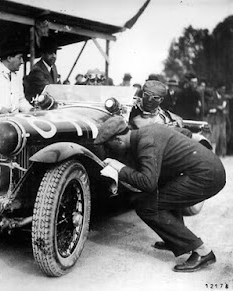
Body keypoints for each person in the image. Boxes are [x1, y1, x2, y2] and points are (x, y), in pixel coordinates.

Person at [95, 116, 226, 272]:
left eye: (109, 147)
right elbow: (185, 132)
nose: (109, 151)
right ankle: (176, 240)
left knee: (146, 206)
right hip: (209, 168)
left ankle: (202, 251)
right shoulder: (147, 131)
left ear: (118, 140)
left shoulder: (145, 143)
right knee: (163, 191)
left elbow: (148, 183)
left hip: (207, 176)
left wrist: (120, 168)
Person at [0, 46, 32, 114]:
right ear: (9, 58)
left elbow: (20, 100)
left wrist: (31, 109)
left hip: (12, 120)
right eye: (19, 58)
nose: (22, 62)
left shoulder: (16, 76)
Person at [23, 36, 60, 102]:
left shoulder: (53, 67)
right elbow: (49, 91)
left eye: (55, 53)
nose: (54, 56)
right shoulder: (36, 70)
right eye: (50, 53)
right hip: (36, 107)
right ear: (43, 54)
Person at [206, 83, 228, 156]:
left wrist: (225, 111)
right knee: (216, 135)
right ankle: (217, 152)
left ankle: (223, 152)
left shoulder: (224, 98)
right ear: (218, 89)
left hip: (222, 119)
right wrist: (217, 107)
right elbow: (209, 106)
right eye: (222, 89)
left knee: (223, 136)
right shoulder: (212, 97)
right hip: (215, 119)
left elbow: (226, 108)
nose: (223, 90)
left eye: (224, 89)